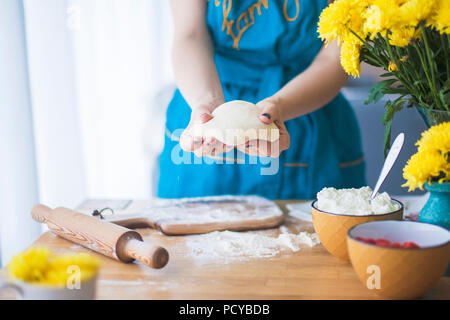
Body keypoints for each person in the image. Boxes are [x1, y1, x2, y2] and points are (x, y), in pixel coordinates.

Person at [157, 0, 366, 199]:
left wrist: (280, 106)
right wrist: (205, 103)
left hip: (308, 104)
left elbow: (335, 57)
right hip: (206, 97)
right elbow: (190, 34)